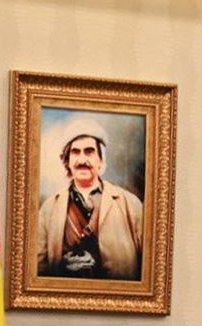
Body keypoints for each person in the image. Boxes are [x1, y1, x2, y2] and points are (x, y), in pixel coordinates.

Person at [36, 118, 144, 280]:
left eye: (89, 151)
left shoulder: (131, 204)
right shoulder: (48, 209)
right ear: (67, 161)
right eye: (75, 152)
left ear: (100, 160)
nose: (82, 160)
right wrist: (61, 269)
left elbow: (148, 267)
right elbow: (38, 271)